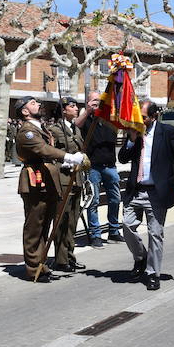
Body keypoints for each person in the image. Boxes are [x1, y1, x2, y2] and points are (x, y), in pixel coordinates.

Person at [119, 99, 174, 290]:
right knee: (127, 225)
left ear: (153, 116)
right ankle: (141, 257)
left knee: (155, 233)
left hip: (157, 192)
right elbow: (122, 158)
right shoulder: (134, 133)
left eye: (143, 117)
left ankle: (153, 273)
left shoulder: (167, 132)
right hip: (136, 190)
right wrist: (131, 139)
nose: (139, 120)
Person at [14, 95, 79, 282]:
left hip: (47, 180)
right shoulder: (27, 131)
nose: (39, 105)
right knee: (35, 225)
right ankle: (33, 267)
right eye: (33, 103)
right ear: (25, 111)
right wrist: (68, 157)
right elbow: (43, 150)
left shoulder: (40, 128)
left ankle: (40, 264)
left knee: (44, 225)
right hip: (35, 181)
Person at [76, 90, 125, 248]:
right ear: (88, 102)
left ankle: (113, 231)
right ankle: (95, 234)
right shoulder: (86, 119)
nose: (98, 102)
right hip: (94, 167)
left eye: (99, 100)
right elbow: (76, 124)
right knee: (94, 201)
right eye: (94, 100)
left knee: (115, 199)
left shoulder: (109, 117)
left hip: (110, 166)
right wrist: (89, 111)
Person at [48, 96, 88, 273]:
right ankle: (61, 259)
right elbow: (50, 153)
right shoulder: (55, 130)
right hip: (63, 180)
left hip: (76, 179)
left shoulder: (76, 130)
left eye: (76, 106)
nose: (76, 108)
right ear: (64, 110)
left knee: (72, 220)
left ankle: (70, 256)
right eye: (72, 106)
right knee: (62, 220)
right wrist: (62, 163)